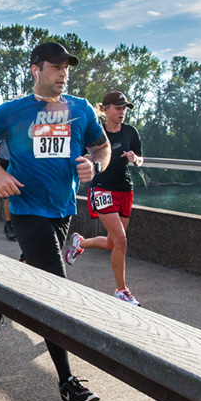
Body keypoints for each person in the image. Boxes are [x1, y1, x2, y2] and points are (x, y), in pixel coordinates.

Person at [0, 41, 111, 401]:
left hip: (63, 209)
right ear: (36, 69)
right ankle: (67, 383)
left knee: (32, 265)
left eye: (67, 68)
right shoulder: (12, 111)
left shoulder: (80, 109)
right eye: (56, 67)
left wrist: (95, 166)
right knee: (54, 289)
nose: (63, 74)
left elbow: (102, 147)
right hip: (26, 208)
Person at [65, 90, 144, 306]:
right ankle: (122, 291)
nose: (122, 113)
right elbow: (80, 156)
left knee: (112, 243)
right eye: (118, 108)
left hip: (124, 189)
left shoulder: (130, 132)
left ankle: (80, 242)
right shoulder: (95, 132)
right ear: (105, 109)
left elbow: (140, 159)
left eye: (125, 109)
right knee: (121, 240)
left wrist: (135, 158)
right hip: (101, 188)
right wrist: (93, 160)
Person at [0, 141, 16, 241]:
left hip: (22, 162)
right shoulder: (5, 125)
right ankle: (9, 223)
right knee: (10, 193)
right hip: (5, 160)